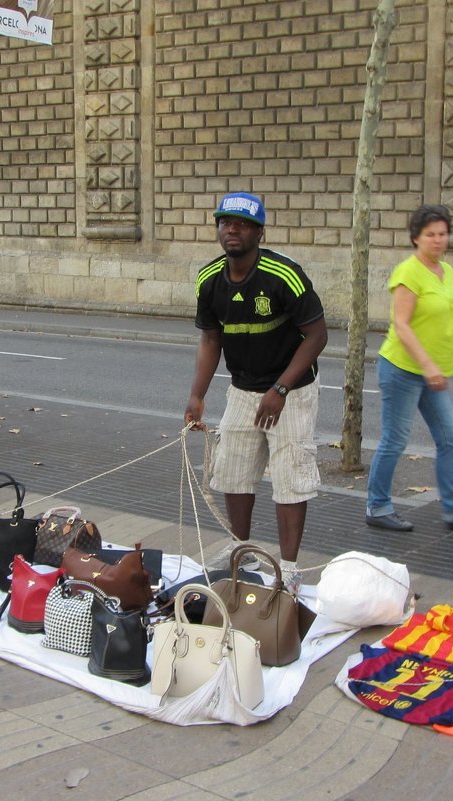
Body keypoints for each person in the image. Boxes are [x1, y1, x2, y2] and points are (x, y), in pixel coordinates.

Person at [184, 192, 328, 593]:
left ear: (259, 232)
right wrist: (197, 396)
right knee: (232, 472)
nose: (232, 229)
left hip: (291, 390)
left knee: (290, 476)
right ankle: (240, 550)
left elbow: (317, 335)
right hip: (243, 389)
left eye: (243, 223)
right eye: (225, 222)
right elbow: (211, 339)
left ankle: (291, 568)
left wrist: (280, 388)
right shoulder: (208, 279)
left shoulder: (284, 276)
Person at [365, 205, 453, 533]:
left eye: (443, 233)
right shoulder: (409, 272)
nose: (437, 240)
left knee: (450, 436)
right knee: (395, 438)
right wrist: (428, 365)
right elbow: (402, 326)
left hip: (433, 373)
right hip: (403, 368)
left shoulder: (446, 271)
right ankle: (377, 506)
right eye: (430, 234)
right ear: (416, 237)